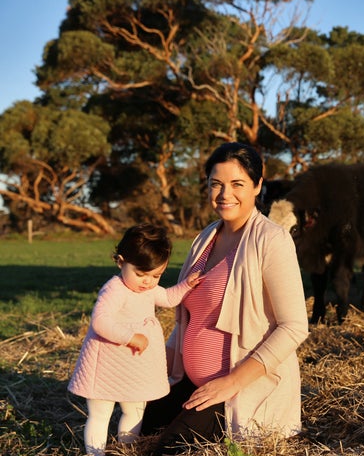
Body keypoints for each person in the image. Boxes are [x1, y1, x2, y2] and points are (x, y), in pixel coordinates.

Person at [141, 142, 309, 455]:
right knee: (133, 425)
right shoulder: (205, 237)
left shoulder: (272, 240)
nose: (224, 194)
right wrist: (153, 362)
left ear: (258, 186)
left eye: (237, 184)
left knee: (166, 450)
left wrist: (232, 382)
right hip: (191, 382)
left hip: (241, 390)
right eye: (216, 184)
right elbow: (189, 317)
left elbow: (294, 326)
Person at [68, 223, 203, 456]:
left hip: (135, 369)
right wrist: (129, 336)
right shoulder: (115, 289)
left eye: (156, 275)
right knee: (101, 413)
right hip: (107, 365)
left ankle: (128, 448)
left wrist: (187, 286)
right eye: (141, 274)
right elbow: (100, 321)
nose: (148, 282)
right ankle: (95, 453)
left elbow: (169, 297)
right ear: (121, 262)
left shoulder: (148, 288)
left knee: (135, 410)